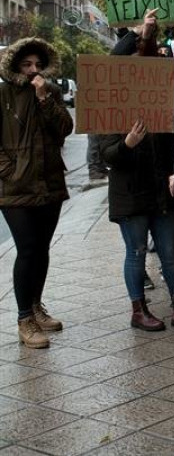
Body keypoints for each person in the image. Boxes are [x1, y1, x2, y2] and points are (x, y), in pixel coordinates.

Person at [100, 9, 174, 330]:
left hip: (161, 190)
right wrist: (127, 143)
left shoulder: (163, 99)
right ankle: (139, 310)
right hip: (130, 193)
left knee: (169, 252)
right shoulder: (111, 104)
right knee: (136, 252)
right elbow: (107, 153)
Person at [0, 37, 73, 348]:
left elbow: (64, 129)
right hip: (15, 187)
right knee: (27, 248)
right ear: (16, 66)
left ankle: (36, 306)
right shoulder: (3, 94)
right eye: (27, 65)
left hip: (50, 182)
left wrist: (44, 98)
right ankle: (23, 319)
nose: (33, 70)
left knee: (41, 248)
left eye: (38, 65)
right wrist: (8, 169)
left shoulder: (51, 92)